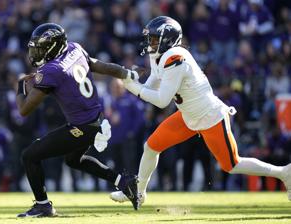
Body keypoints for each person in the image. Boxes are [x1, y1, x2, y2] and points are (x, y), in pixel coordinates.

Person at [110, 16, 291, 206]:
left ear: (167, 40)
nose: (150, 43)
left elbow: (162, 101)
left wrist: (133, 87)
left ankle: (284, 173)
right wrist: (134, 82)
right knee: (151, 147)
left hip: (209, 116)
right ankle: (139, 192)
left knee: (232, 164)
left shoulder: (175, 58)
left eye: (154, 39)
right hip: (188, 116)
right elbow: (150, 87)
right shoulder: (159, 55)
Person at [16, 23, 141, 217]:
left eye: (39, 48)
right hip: (97, 120)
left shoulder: (51, 70)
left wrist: (20, 88)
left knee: (29, 156)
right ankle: (124, 182)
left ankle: (43, 205)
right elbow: (102, 66)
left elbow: (24, 110)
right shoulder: (74, 48)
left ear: (52, 47)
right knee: (74, 160)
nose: (35, 53)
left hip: (83, 126)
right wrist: (126, 73)